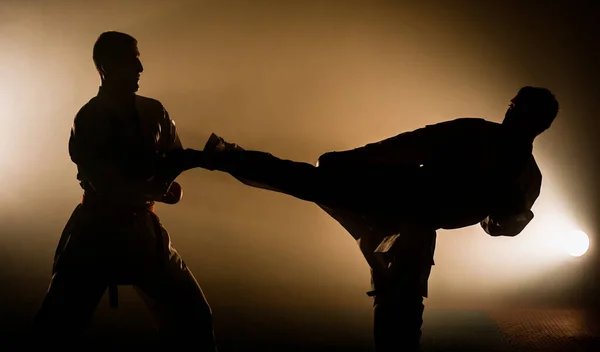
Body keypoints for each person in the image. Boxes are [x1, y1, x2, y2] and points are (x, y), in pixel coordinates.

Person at [193, 86, 558, 351]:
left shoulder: (525, 178)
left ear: (538, 125)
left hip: (414, 221)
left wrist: (509, 214)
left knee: (402, 298)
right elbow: (410, 144)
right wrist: (352, 159)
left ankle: (225, 156)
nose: (512, 115)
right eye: (513, 107)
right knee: (305, 180)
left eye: (521, 112)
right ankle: (224, 156)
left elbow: (496, 226)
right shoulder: (479, 136)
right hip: (393, 193)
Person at [32, 31, 216, 350]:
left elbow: (171, 166)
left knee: (193, 317)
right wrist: (158, 186)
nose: (140, 67)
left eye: (137, 57)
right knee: (55, 329)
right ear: (106, 66)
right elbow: (108, 184)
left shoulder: (154, 113)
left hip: (141, 231)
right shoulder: (89, 119)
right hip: (96, 232)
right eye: (132, 58)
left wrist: (178, 175)